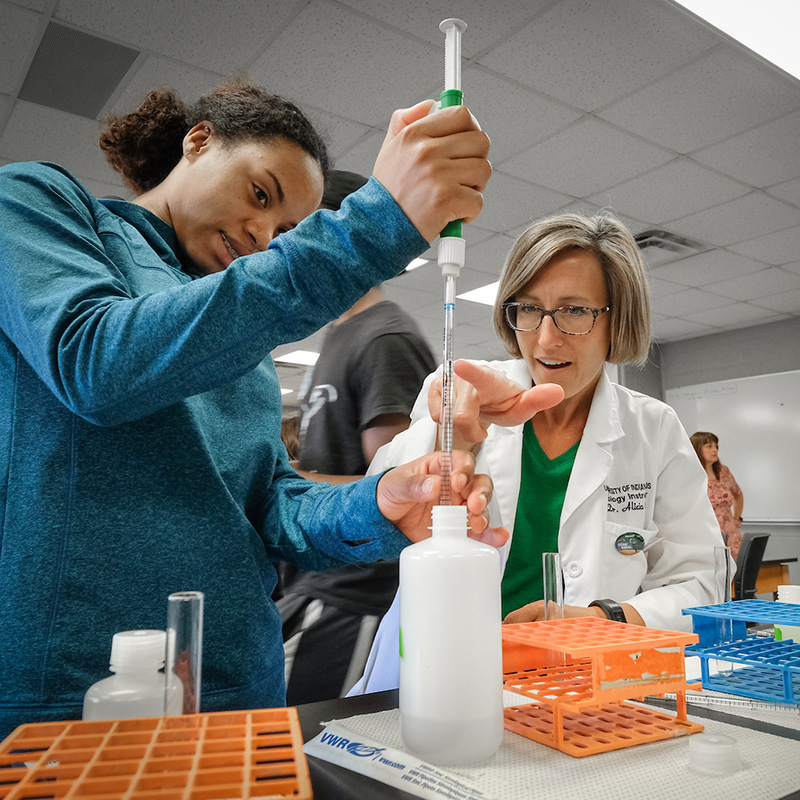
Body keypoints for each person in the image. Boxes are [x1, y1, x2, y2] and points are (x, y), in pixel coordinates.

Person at [0, 75, 496, 737]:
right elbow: (96, 363)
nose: (263, 233)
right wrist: (373, 228)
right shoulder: (44, 204)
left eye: (288, 231)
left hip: (239, 693)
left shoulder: (242, 345)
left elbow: (267, 508)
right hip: (71, 702)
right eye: (261, 194)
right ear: (198, 141)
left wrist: (375, 504)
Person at [349, 211, 725, 694]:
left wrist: (606, 618)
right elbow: (370, 514)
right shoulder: (463, 390)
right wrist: (453, 437)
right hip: (444, 675)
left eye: (574, 311)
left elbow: (703, 582)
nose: (546, 340)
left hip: (584, 687)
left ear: (618, 319)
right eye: (528, 308)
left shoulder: (653, 429)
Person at [278, 171, 437, 703]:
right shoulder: (337, 333)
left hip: (356, 595)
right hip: (315, 578)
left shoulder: (385, 337)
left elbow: (399, 485)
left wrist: (290, 481)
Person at [690, 431, 744, 559]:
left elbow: (738, 494)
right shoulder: (691, 475)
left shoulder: (723, 471)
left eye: (716, 446)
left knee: (734, 574)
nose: (715, 450)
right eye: (709, 446)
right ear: (697, 449)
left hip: (730, 534)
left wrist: (737, 518)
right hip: (705, 535)